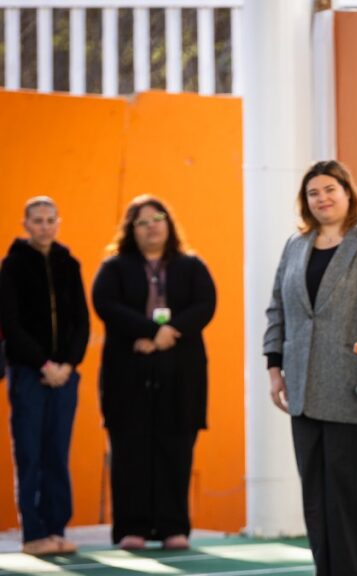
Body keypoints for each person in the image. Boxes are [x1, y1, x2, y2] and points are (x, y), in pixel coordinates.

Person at [263, 160, 357, 576]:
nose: (322, 198)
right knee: (316, 497)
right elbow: (278, 309)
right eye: (313, 193)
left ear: (348, 193)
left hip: (355, 386)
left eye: (330, 189)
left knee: (351, 495)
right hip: (302, 390)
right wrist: (275, 368)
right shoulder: (296, 245)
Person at [92, 196, 216, 550]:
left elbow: (205, 304)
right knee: (130, 450)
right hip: (127, 374)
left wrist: (167, 333)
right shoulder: (114, 267)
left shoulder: (191, 266)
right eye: (142, 222)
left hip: (180, 375)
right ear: (132, 230)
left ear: (169, 223)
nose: (151, 226)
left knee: (175, 448)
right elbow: (105, 304)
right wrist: (148, 332)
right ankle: (132, 527)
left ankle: (173, 527)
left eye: (157, 218)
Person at [0, 197, 89, 556]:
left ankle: (56, 528)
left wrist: (67, 364)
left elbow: (81, 323)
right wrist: (43, 365)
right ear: (25, 224)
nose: (45, 226)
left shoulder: (70, 264)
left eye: (51, 219)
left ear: (58, 222)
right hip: (28, 375)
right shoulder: (12, 266)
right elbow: (10, 323)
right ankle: (34, 533)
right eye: (37, 220)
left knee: (57, 453)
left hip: (65, 377)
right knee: (30, 454)